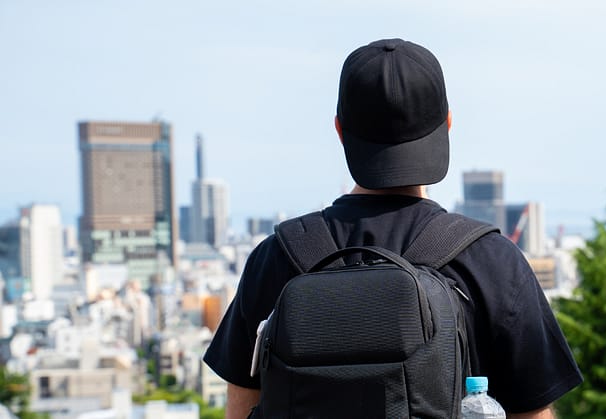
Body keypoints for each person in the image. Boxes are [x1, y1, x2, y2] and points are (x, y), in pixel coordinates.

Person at [203, 38, 583, 419]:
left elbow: (241, 409)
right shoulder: (492, 260)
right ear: (447, 124)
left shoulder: (277, 256)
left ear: (339, 130)